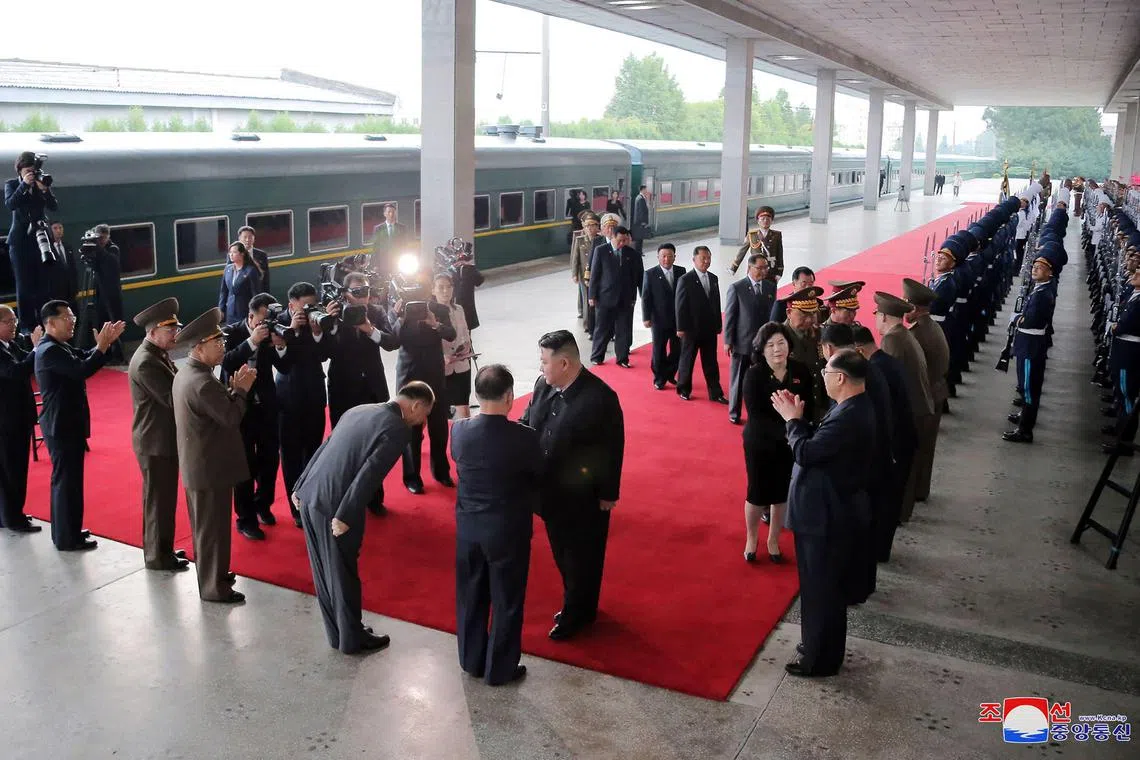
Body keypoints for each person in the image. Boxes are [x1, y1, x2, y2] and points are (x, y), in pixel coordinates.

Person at [292, 381, 435, 654]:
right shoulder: (397, 429)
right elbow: (370, 473)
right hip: (337, 505)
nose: (423, 420)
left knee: (322, 571)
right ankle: (352, 640)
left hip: (311, 495)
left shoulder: (360, 410)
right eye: (425, 413)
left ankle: (339, 633)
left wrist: (300, 485)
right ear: (416, 405)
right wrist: (345, 514)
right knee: (343, 573)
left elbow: (326, 446)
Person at [772, 348, 875, 677]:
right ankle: (824, 650)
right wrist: (802, 420)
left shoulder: (848, 416)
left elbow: (807, 452)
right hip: (834, 511)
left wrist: (791, 421)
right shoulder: (854, 407)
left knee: (819, 591)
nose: (823, 379)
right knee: (827, 589)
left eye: (827, 374)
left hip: (825, 516)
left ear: (841, 378)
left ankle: (817, 659)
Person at [521, 330, 624, 641]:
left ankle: (577, 612)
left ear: (564, 363)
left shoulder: (601, 399)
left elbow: (613, 448)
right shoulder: (543, 386)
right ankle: (580, 604)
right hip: (549, 494)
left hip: (584, 499)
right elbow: (528, 423)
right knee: (562, 553)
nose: (540, 368)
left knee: (583, 557)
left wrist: (608, 494)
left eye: (544, 362)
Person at [451, 365, 542, 685]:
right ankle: (500, 669)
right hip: (507, 531)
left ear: (477, 395)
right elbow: (537, 478)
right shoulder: (525, 438)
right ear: (509, 396)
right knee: (507, 600)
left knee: (471, 595)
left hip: (468, 530)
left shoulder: (458, 431)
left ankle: (471, 659)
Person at [172, 308, 255, 603]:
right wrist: (242, 391)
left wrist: (231, 392)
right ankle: (213, 587)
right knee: (212, 530)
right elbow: (231, 417)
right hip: (210, 467)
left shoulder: (190, 373)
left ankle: (215, 574)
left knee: (208, 528)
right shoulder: (204, 382)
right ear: (198, 347)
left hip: (202, 464)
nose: (222, 348)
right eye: (216, 343)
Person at [34, 300, 125, 551]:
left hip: (66, 424)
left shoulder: (58, 346)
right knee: (66, 483)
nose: (72, 321)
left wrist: (100, 347)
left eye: (72, 317)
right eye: (67, 318)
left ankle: (69, 530)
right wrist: (103, 346)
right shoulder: (49, 350)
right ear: (50, 323)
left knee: (70, 483)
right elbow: (81, 369)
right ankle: (66, 538)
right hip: (61, 426)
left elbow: (82, 357)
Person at [742, 322, 815, 562]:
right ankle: (752, 538)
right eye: (770, 345)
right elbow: (756, 416)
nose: (777, 349)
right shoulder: (754, 375)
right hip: (760, 443)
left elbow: (808, 408)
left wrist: (801, 430)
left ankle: (773, 538)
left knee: (782, 492)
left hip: (790, 444)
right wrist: (789, 431)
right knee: (757, 492)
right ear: (762, 350)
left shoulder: (801, 371)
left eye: (781, 343)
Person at [222, 293, 291, 537]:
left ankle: (263, 505)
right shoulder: (231, 333)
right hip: (240, 408)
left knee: (270, 460)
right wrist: (252, 341)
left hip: (267, 406)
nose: (267, 324)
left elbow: (284, 367)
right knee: (244, 466)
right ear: (251, 316)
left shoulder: (272, 331)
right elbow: (226, 362)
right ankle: (245, 518)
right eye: (263, 319)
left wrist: (280, 345)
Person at [128, 297, 189, 571]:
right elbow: (171, 396)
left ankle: (161, 549)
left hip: (161, 439)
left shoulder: (157, 354)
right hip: (155, 441)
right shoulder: (146, 362)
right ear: (153, 332)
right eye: (170, 330)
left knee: (162, 500)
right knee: (158, 501)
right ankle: (157, 556)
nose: (175, 334)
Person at [276, 282, 336, 525]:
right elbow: (282, 362)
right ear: (292, 306)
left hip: (313, 393)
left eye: (312, 304)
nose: (310, 309)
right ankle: (295, 507)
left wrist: (318, 332)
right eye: (304, 306)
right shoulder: (278, 321)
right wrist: (292, 329)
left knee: (313, 451)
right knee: (290, 454)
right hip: (287, 396)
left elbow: (324, 355)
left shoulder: (318, 318)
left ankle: (312, 500)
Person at [390, 281, 456, 493]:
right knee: (411, 428)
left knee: (439, 426)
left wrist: (435, 324)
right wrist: (399, 317)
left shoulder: (438, 309)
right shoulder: (400, 310)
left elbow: (451, 334)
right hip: (408, 375)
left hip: (434, 374)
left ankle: (441, 472)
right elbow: (392, 339)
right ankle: (412, 477)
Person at [874, 292, 934, 522]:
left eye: (878, 315)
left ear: (885, 317)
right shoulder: (904, 335)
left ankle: (898, 516)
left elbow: (886, 383)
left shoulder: (892, 340)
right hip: (920, 407)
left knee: (902, 470)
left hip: (911, 411)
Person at [902, 278, 949, 502]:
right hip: (937, 391)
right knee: (926, 448)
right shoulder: (934, 327)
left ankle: (910, 495)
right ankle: (921, 491)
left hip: (923, 395)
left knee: (914, 450)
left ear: (914, 307)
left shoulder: (917, 335)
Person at [1003, 255, 1057, 444]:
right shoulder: (1041, 289)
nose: (1035, 269)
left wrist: (1017, 319)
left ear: (1050, 272)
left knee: (1028, 388)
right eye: (1034, 266)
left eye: (1040, 267)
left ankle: (1025, 430)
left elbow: (1031, 320)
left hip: (1030, 346)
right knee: (1029, 387)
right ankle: (1024, 419)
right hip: (1030, 344)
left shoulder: (1043, 294)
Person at [0, 305, 42, 533]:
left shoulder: (10, 345)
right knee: (12, 470)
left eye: (14, 320)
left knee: (10, 470)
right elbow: (16, 371)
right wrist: (36, 349)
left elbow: (26, 360)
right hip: (8, 421)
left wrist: (38, 349)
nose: (14, 325)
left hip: (15, 418)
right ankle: (13, 517)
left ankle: (7, 514)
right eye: (8, 322)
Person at [5, 151, 58, 331]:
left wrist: (44, 190)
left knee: (44, 285)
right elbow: (11, 204)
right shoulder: (11, 184)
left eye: (33, 170)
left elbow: (54, 206)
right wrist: (24, 186)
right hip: (20, 241)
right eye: (28, 170)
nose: (31, 174)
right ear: (19, 170)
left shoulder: (40, 184)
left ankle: (45, 324)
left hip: (40, 237)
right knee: (24, 286)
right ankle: (26, 329)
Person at [725, 253, 777, 424]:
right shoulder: (737, 288)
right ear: (749, 267)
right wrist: (728, 341)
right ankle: (734, 412)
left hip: (763, 344)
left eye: (765, 268)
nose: (763, 271)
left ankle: (758, 413)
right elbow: (731, 316)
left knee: (762, 381)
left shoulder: (770, 287)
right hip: (742, 343)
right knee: (738, 380)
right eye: (759, 268)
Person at [675, 245, 727, 403]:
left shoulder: (713, 278)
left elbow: (716, 303)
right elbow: (680, 305)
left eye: (709, 258)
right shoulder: (685, 279)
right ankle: (684, 388)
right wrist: (681, 328)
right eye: (703, 258)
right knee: (687, 360)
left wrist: (718, 324)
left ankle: (715, 392)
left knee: (711, 362)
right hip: (691, 329)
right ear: (694, 260)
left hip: (709, 328)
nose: (706, 261)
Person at [588, 225, 643, 367]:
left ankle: (622, 358)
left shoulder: (633, 254)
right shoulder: (601, 251)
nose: (622, 244)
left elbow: (639, 277)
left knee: (623, 330)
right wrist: (592, 296)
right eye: (619, 240)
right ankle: (597, 356)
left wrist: (644, 297)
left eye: (625, 240)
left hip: (626, 299)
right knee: (602, 329)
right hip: (604, 298)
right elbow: (595, 275)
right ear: (612, 237)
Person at [641, 243, 685, 390]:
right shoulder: (650, 274)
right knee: (658, 350)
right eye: (663, 256)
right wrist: (646, 317)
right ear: (658, 257)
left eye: (670, 256)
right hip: (658, 319)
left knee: (677, 350)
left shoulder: (681, 271)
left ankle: (670, 373)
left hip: (677, 320)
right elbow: (646, 297)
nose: (666, 259)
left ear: (675, 257)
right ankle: (659, 377)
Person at [435, 273, 474, 419]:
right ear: (433, 290)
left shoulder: (459, 309)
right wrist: (441, 357)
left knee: (464, 407)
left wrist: (466, 346)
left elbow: (465, 333)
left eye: (449, 287)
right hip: (442, 368)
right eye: (441, 287)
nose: (445, 291)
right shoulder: (430, 314)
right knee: (443, 412)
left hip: (462, 365)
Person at [88, 224, 126, 363]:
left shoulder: (113, 249)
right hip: (99, 292)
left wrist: (98, 249)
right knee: (102, 322)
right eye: (99, 238)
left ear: (108, 236)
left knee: (114, 322)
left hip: (112, 293)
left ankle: (118, 354)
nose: (101, 240)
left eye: (104, 237)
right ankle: (105, 352)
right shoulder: (97, 250)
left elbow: (112, 263)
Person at [730, 206, 783, 283]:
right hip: (755, 270)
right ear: (758, 221)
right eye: (762, 219)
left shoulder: (776, 235)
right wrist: (733, 268)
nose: (765, 221)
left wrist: (779, 272)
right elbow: (742, 252)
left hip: (771, 270)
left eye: (768, 219)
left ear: (771, 221)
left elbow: (780, 254)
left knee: (770, 291)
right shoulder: (752, 235)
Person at [571, 212, 601, 335]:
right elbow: (575, 258)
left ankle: (598, 324)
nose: (589, 228)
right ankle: (588, 325)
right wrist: (574, 274)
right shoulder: (580, 240)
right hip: (584, 275)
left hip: (598, 275)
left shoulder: (601, 240)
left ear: (597, 227)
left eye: (592, 226)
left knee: (597, 301)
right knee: (586, 301)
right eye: (587, 226)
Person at [218, 241, 262, 325]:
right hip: (230, 311)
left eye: (234, 252)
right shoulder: (228, 269)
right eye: (230, 252)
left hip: (244, 311)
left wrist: (254, 312)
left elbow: (255, 294)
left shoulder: (250, 271)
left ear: (242, 254)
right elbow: (223, 291)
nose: (231, 255)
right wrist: (221, 309)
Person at [370, 204, 409, 277]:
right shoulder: (378, 229)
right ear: (384, 214)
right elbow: (375, 248)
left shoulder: (402, 228)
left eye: (393, 212)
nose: (391, 214)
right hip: (383, 264)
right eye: (389, 212)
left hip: (398, 264)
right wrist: (375, 265)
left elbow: (405, 247)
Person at [48, 221, 78, 309]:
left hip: (71, 293)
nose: (58, 231)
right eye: (55, 228)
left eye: (60, 228)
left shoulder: (68, 247)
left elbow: (73, 269)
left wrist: (75, 288)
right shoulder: (48, 249)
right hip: (56, 294)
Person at [237, 225, 270, 296]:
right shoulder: (233, 255)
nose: (247, 240)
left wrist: (267, 297)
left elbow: (266, 279)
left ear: (254, 238)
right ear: (239, 238)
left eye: (250, 237)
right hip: (240, 296)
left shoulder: (262, 255)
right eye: (245, 237)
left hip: (257, 295)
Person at [631, 186, 653, 256]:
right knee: (639, 238)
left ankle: (639, 252)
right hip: (640, 221)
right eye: (646, 189)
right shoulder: (640, 198)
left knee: (640, 237)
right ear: (642, 190)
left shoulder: (640, 197)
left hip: (639, 221)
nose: (646, 191)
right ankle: (638, 252)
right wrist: (643, 222)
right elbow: (640, 211)